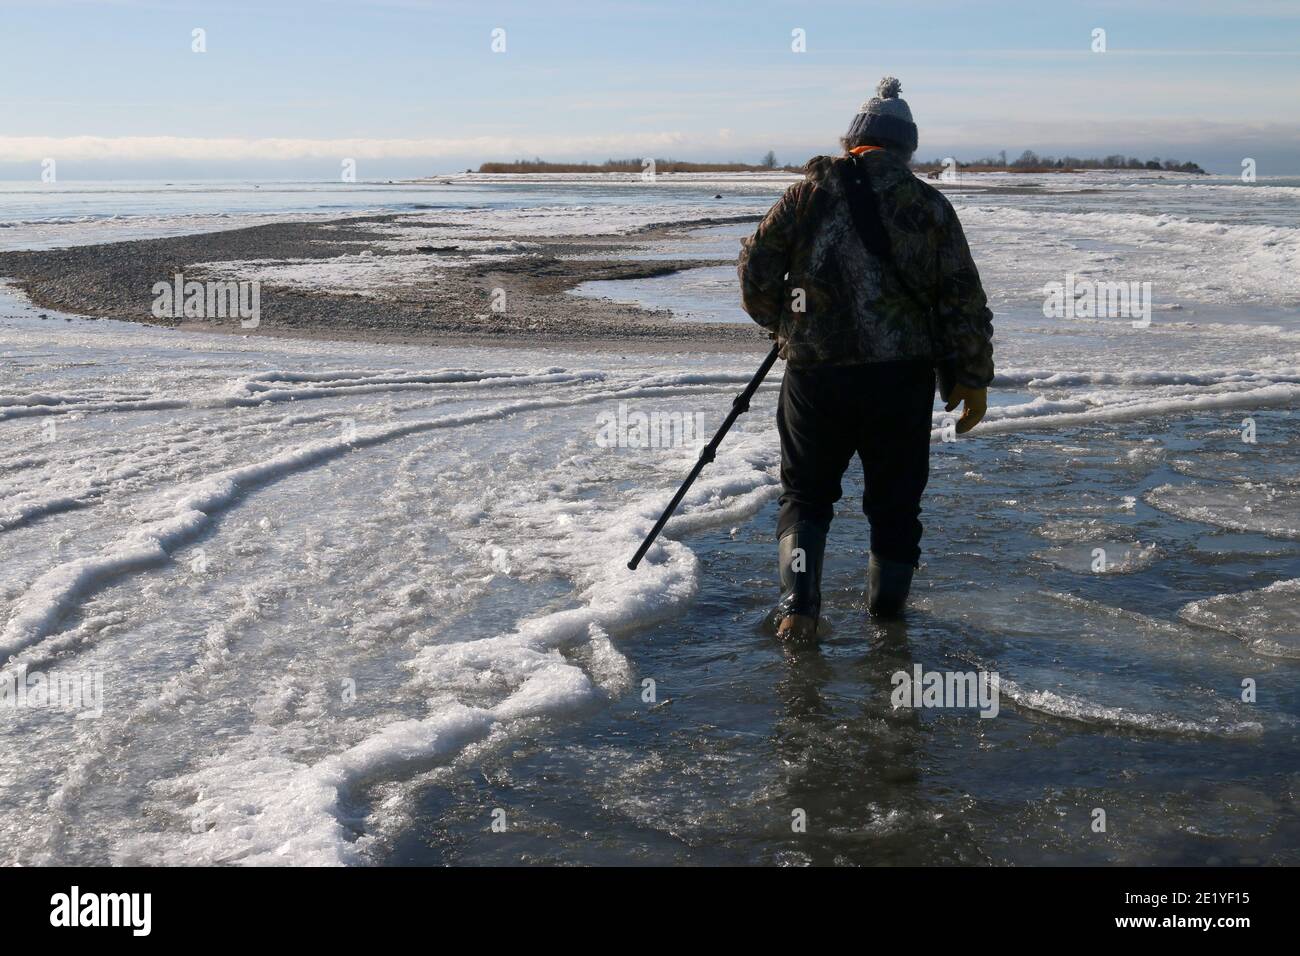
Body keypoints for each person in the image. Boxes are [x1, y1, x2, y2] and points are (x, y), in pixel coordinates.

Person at [737, 76, 995, 642]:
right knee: (895, 502)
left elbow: (756, 272)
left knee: (806, 494)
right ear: (906, 148)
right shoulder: (929, 205)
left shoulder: (805, 196)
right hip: (899, 379)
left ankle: (799, 611)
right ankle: (888, 625)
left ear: (854, 142)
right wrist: (971, 377)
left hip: (815, 376)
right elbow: (961, 298)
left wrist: (787, 325)